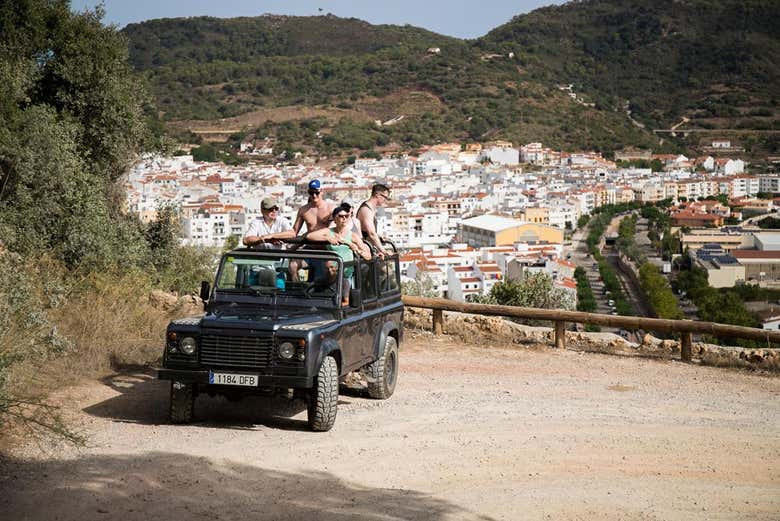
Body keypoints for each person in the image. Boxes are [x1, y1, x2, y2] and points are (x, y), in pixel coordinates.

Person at [305, 204, 372, 280]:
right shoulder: (328, 232)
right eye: (341, 216)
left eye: (346, 216)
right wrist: (328, 238)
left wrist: (357, 250)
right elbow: (309, 236)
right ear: (334, 219)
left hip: (346, 273)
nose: (344, 218)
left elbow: (368, 256)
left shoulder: (353, 236)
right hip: (330, 272)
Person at [357, 183, 392, 258]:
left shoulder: (370, 208)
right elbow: (371, 233)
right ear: (377, 194)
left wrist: (378, 236)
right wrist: (383, 250)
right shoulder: (366, 210)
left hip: (369, 247)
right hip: (366, 249)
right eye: (385, 197)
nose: (385, 200)